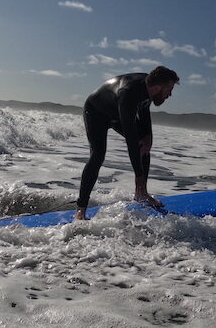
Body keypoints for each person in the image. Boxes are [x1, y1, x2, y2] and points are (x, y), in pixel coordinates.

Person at [74, 66, 179, 220]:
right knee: (97, 156)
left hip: (116, 112)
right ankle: (81, 209)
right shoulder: (129, 93)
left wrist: (148, 135)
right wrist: (138, 175)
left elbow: (144, 110)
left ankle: (142, 194)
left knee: (144, 143)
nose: (170, 94)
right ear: (157, 88)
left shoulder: (149, 85)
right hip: (96, 112)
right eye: (168, 90)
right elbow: (131, 140)